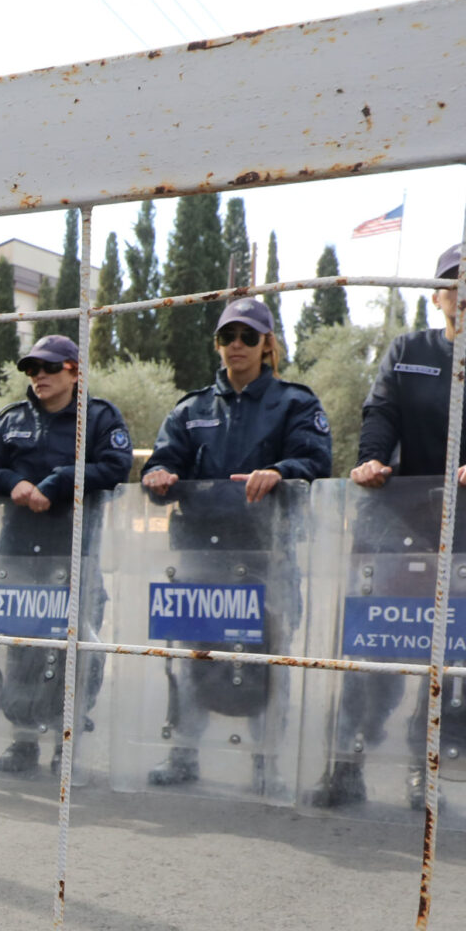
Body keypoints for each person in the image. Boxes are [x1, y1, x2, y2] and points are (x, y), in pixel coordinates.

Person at [309, 242, 466, 808]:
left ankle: (425, 770)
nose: (465, 290)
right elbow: (381, 410)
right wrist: (371, 458)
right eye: (453, 281)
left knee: (458, 656)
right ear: (436, 295)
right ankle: (349, 763)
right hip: (401, 522)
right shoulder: (407, 348)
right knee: (377, 644)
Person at [137, 298, 332, 787]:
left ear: (267, 343)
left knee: (268, 661)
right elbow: (160, 466)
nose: (237, 346)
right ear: (218, 345)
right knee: (193, 661)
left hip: (269, 557)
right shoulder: (191, 408)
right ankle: (183, 756)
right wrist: (157, 477)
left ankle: (265, 761)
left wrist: (280, 472)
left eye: (248, 336)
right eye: (228, 337)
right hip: (200, 559)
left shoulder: (296, 403)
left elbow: (315, 463)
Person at [0, 333, 134, 775]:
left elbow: (116, 468)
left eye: (48, 367)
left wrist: (58, 480)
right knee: (20, 649)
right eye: (31, 369)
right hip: (19, 554)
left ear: (74, 371)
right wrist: (12, 483)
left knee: (77, 649)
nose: (38, 375)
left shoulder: (99, 418)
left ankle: (67, 737)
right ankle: (22, 739)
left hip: (76, 554)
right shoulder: (11, 419)